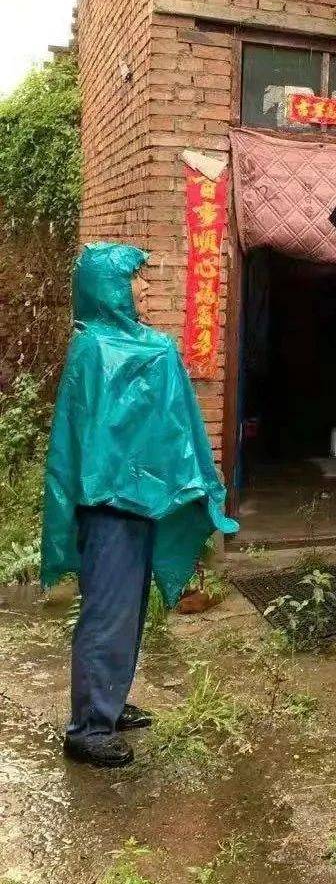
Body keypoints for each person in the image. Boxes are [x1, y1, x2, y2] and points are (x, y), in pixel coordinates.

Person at [41, 243, 238, 768]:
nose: (146, 288)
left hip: (137, 500)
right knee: (108, 613)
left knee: (126, 613)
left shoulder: (140, 346)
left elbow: (161, 430)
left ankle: (107, 701)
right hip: (109, 504)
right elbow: (96, 441)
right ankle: (88, 728)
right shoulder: (98, 350)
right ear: (108, 289)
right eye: (136, 280)